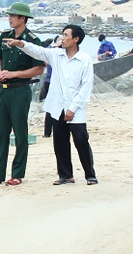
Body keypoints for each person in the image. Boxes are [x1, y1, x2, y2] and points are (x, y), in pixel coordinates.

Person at [8, 25, 97, 186]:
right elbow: (38, 51)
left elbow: (86, 86)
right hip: (57, 106)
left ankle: (90, 174)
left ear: (76, 39)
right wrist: (20, 44)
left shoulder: (84, 59)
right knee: (60, 142)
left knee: (81, 140)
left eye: (65, 35)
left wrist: (72, 108)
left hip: (75, 108)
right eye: (62, 34)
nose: (62, 38)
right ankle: (66, 175)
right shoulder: (56, 55)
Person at [0, 2, 45, 187]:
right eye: (9, 15)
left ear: (23, 18)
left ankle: (17, 174)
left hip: (20, 91)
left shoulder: (31, 41)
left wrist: (13, 74)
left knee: (20, 133)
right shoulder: (5, 36)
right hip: (2, 91)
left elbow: (38, 69)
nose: (10, 18)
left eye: (13, 15)